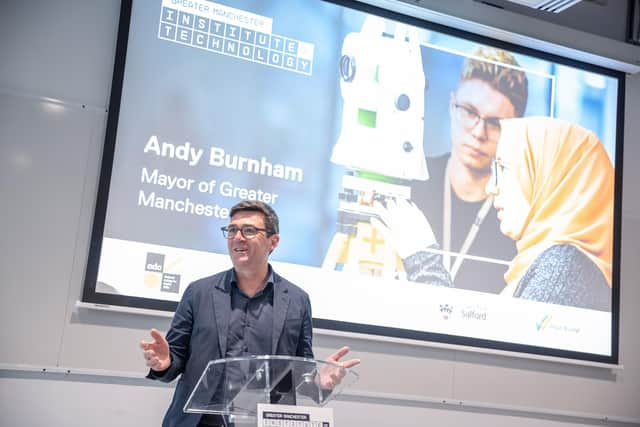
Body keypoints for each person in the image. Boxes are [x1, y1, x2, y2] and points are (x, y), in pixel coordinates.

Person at [140, 200, 360, 427]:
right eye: (232, 230)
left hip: (264, 422)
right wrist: (164, 363)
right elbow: (174, 361)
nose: (237, 236)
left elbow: (299, 370)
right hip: (199, 422)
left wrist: (318, 382)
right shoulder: (199, 292)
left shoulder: (297, 300)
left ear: (273, 242)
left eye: (249, 230)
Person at [408, 46, 528, 293]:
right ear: (452, 106)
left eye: (495, 123)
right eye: (470, 112)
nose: (478, 132)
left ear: (516, 131)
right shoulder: (410, 183)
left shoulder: (519, 218)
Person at [485, 116, 613, 310]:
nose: (490, 188)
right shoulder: (555, 261)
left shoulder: (565, 266)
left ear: (552, 177)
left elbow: (512, 339)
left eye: (502, 168)